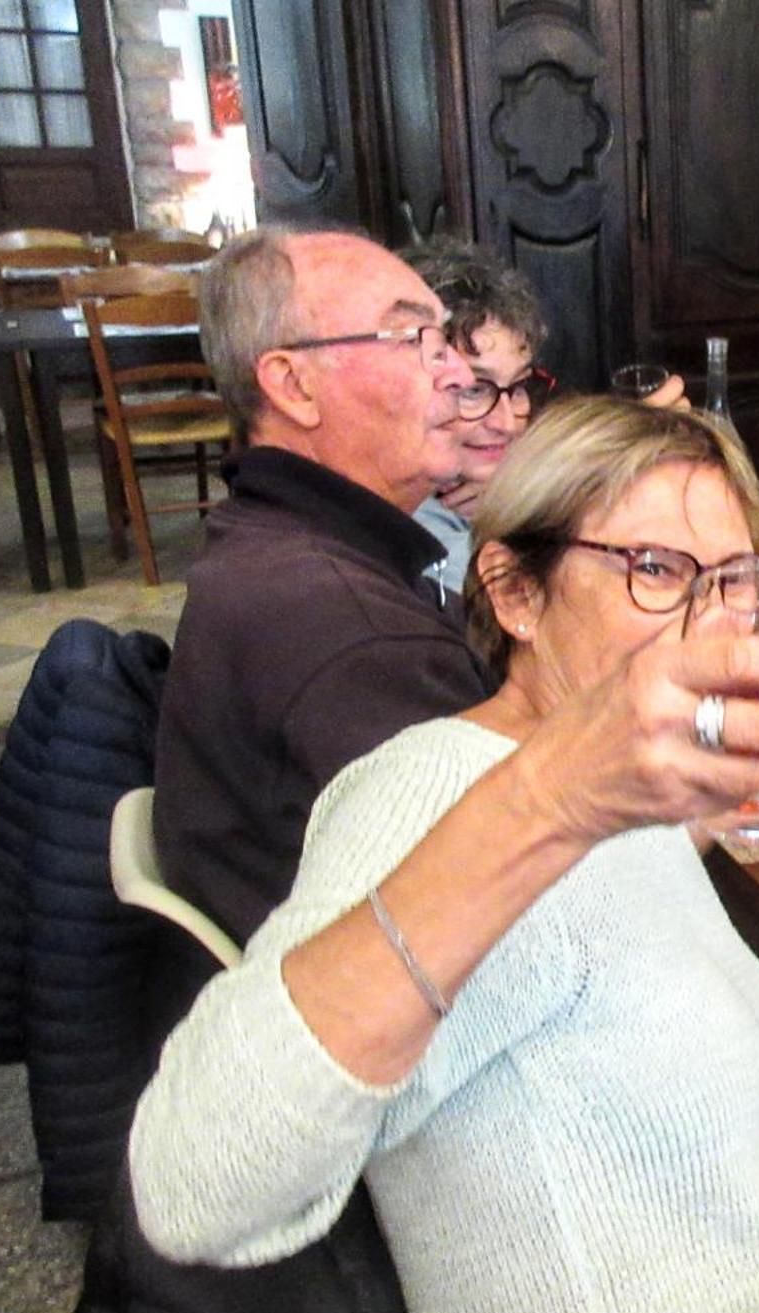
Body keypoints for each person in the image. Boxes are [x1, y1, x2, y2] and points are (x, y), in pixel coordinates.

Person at [128, 399, 759, 1313]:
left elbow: (675, 1092)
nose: (711, 619)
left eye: (730, 576)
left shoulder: (627, 791)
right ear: (514, 591)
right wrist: (548, 798)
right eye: (653, 567)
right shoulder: (436, 791)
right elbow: (192, 1189)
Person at [154, 227, 491, 948]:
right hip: (379, 1024)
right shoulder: (353, 632)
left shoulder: (269, 539)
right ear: (293, 385)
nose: (460, 373)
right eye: (414, 339)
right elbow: (500, 909)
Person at [401, 239, 555, 592]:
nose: (506, 423)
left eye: (518, 386)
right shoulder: (419, 534)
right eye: (473, 389)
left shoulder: (501, 492)